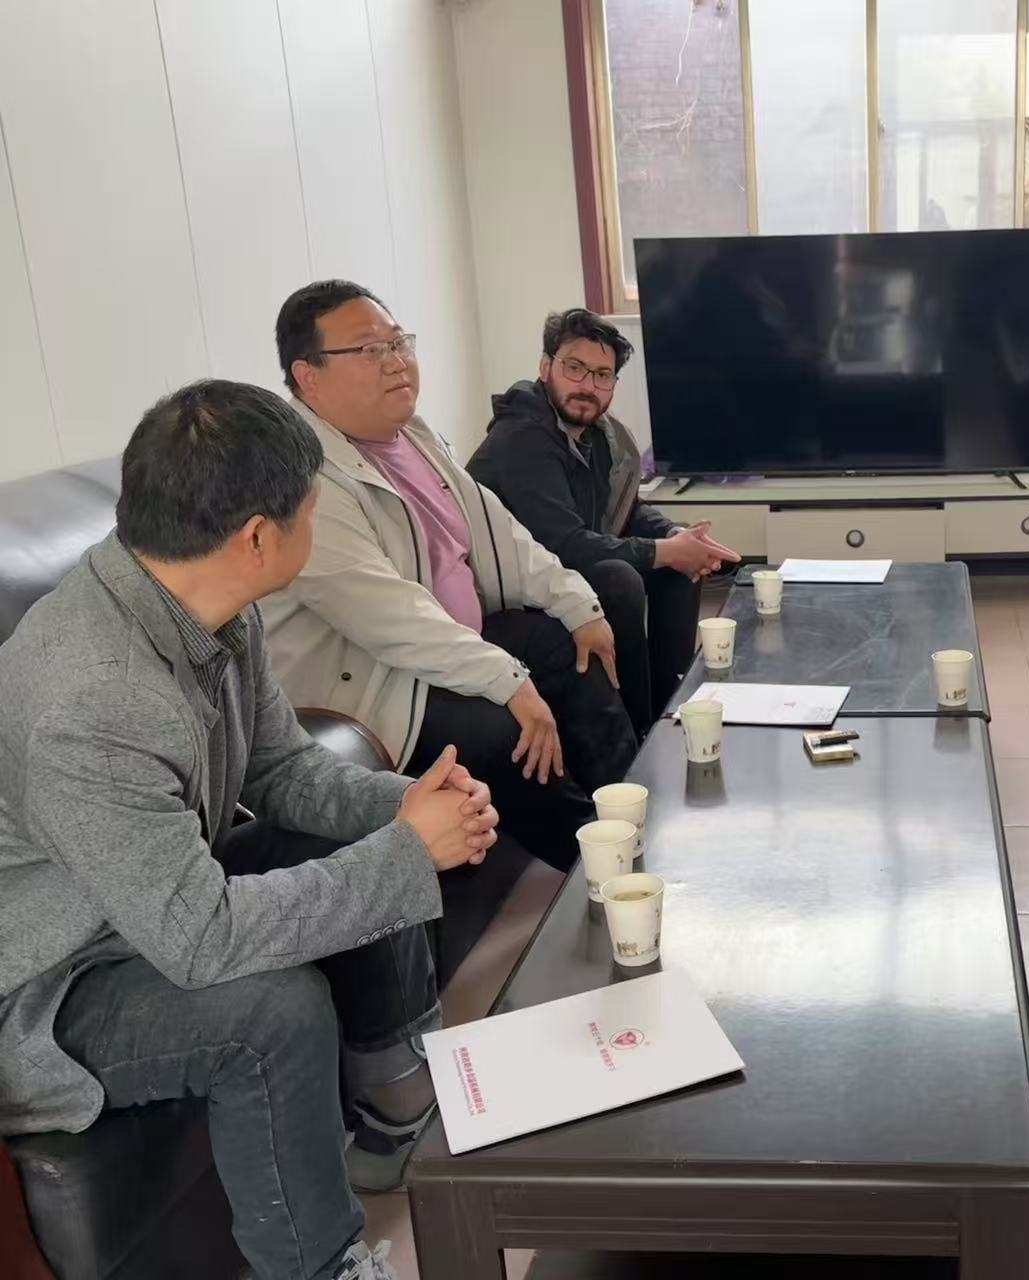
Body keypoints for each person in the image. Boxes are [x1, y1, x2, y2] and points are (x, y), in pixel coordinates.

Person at [0, 381, 502, 1280]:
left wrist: (406, 807)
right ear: (259, 537)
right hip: (52, 977)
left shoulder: (212, 606)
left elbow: (281, 771)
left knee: (357, 851)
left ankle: (401, 1110)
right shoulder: (91, 698)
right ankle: (321, 1266)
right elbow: (198, 940)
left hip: (144, 901)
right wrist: (406, 851)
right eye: (314, 508)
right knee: (270, 1013)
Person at [262, 281, 639, 872]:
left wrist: (579, 606)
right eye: (369, 350)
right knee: (503, 727)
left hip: (450, 647)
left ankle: (631, 807)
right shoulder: (301, 475)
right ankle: (597, 862)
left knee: (572, 648)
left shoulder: (412, 435)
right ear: (308, 376)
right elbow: (388, 617)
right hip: (377, 684)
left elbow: (500, 533)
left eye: (398, 343)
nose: (396, 362)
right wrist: (508, 681)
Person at [467, 308, 738, 732]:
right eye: (574, 368)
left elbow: (626, 510)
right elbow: (564, 544)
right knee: (618, 579)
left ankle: (667, 709)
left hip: (558, 570)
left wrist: (676, 537)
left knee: (674, 570)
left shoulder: (597, 434)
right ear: (546, 367)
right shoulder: (522, 437)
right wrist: (665, 550)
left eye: (602, 375)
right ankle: (632, 729)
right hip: (507, 590)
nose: (588, 386)